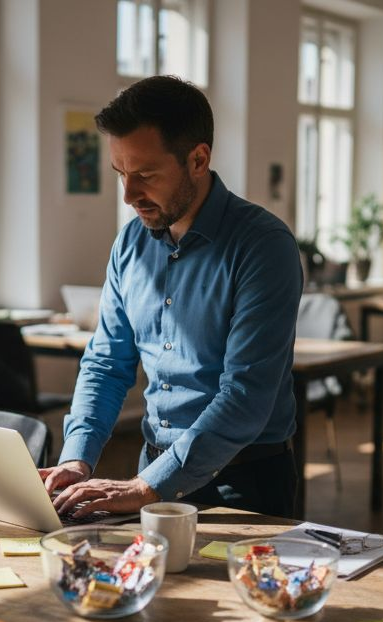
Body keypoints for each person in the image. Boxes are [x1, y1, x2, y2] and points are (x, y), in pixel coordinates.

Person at [39, 75, 303, 517]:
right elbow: (106, 363)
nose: (128, 195)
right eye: (121, 174)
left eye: (144, 175)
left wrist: (147, 486)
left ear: (198, 160)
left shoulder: (263, 246)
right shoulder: (129, 246)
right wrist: (76, 458)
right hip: (153, 469)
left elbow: (245, 395)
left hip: (244, 483)